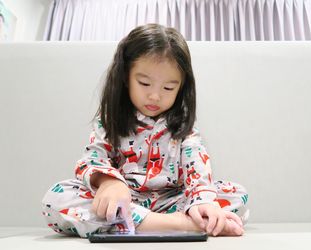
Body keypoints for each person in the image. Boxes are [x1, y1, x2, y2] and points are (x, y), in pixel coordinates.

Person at [42, 23, 249, 238]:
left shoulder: (183, 124)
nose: (155, 96)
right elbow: (93, 158)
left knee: (236, 195)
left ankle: (153, 222)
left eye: (168, 88)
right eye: (144, 83)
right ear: (125, 77)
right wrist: (110, 183)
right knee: (56, 198)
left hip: (173, 201)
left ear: (181, 87)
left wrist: (202, 201)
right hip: (124, 201)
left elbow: (196, 163)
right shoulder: (110, 119)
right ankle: (180, 225)